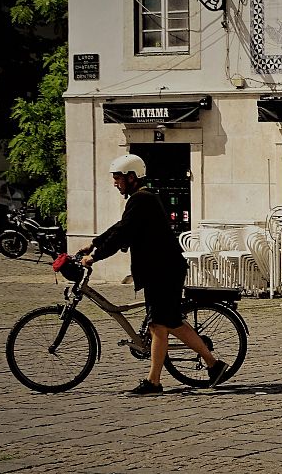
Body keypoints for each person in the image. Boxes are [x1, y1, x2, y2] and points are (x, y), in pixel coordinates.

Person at [78, 154, 228, 396]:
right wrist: (94, 244)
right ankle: (210, 365)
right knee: (166, 323)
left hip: (164, 271)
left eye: (118, 178)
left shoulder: (142, 199)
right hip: (161, 270)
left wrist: (96, 256)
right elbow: (120, 226)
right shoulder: (141, 200)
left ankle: (157, 381)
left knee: (161, 324)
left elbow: (122, 234)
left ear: (131, 177)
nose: (115, 183)